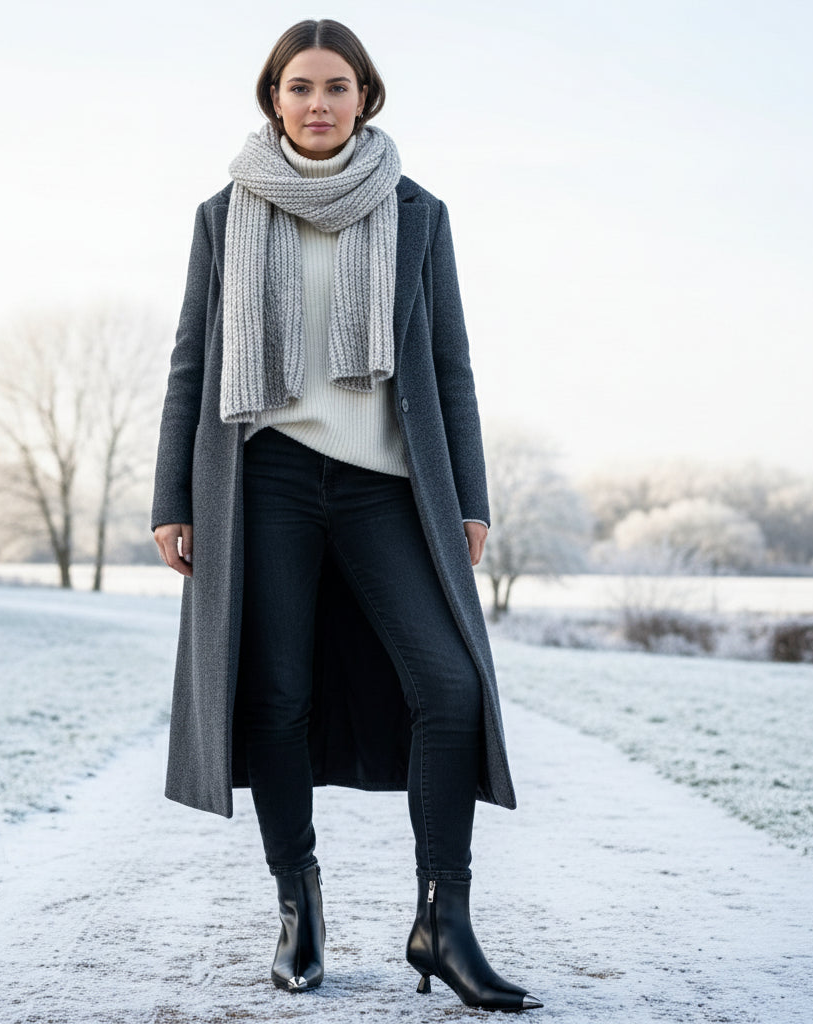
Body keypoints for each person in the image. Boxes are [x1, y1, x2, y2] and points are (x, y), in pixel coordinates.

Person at [151, 18, 542, 1012]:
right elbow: (193, 359)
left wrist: (471, 497)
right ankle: (299, 906)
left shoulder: (416, 212)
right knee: (275, 694)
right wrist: (171, 498)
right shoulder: (224, 213)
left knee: (450, 683)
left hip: (386, 485)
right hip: (265, 475)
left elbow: (448, 363)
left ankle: (442, 922)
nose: (318, 103)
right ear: (273, 98)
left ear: (365, 97)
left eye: (336, 86)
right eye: (299, 87)